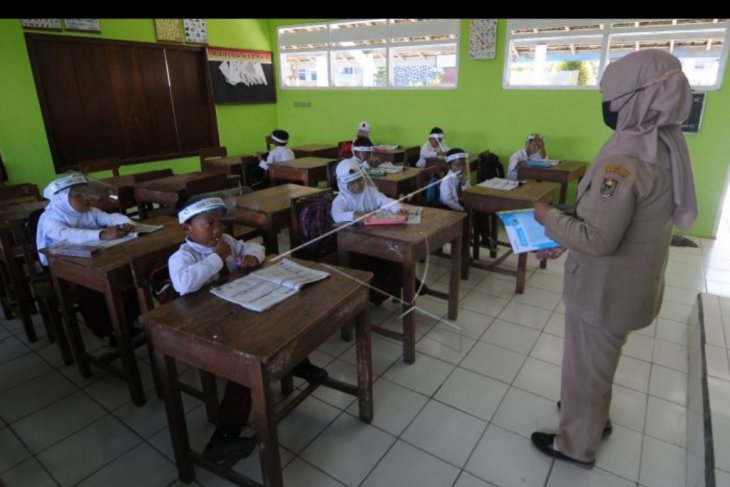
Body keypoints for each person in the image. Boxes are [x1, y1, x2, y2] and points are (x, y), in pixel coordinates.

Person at [530, 49, 697, 467]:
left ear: (635, 97)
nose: (605, 105)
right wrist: (567, 232)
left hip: (603, 292)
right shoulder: (663, 144)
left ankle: (577, 444)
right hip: (632, 286)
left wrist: (548, 217)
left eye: (609, 96)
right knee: (598, 363)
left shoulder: (624, 162)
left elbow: (599, 237)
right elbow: (614, 220)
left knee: (585, 368)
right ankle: (593, 417)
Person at [169, 197, 328, 463]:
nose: (217, 229)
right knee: (245, 365)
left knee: (282, 319)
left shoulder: (228, 243)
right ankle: (223, 436)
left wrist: (253, 256)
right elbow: (184, 285)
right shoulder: (183, 257)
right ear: (188, 229)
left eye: (218, 222)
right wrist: (216, 259)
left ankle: (296, 362)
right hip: (206, 324)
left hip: (235, 310)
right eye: (208, 224)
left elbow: (254, 245)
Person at [36, 173, 140, 345]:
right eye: (78, 195)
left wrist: (125, 222)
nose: (86, 198)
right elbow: (65, 235)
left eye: (86, 193)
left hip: (93, 259)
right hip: (63, 267)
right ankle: (106, 331)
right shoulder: (51, 218)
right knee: (90, 289)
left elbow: (110, 217)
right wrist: (102, 233)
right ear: (61, 199)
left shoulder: (89, 211)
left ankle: (130, 320)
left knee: (125, 275)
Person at [332, 159, 430, 304]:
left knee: (397, 255)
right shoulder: (341, 200)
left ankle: (404, 282)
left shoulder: (369, 191)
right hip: (355, 244)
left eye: (360, 180)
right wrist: (353, 215)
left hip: (374, 237)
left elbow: (385, 201)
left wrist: (398, 208)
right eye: (352, 183)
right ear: (343, 185)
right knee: (368, 263)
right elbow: (336, 215)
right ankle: (386, 292)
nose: (358, 185)